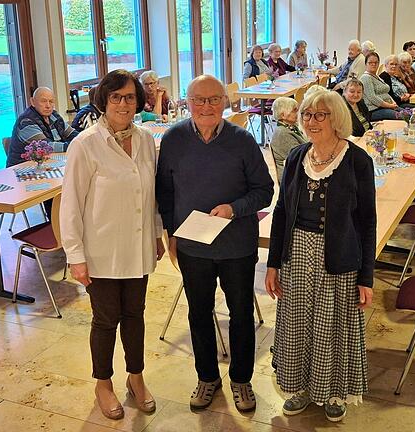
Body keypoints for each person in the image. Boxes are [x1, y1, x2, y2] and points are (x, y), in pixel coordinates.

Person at [156, 75, 274, 412]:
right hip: (193, 245)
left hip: (236, 245)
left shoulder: (243, 141)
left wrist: (234, 209)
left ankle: (242, 380)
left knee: (240, 314)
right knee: (198, 313)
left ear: (225, 101)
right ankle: (207, 377)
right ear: (187, 101)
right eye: (198, 99)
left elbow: (264, 190)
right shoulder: (174, 139)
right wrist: (170, 231)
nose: (206, 106)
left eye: (213, 99)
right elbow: (164, 191)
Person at [265, 86, 375, 423]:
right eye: (307, 115)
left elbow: (368, 221)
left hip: (339, 254)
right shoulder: (298, 156)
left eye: (320, 115)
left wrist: (366, 277)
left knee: (334, 325)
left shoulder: (357, 160)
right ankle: (298, 386)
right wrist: (272, 263)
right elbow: (282, 210)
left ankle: (333, 392)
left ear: (336, 118)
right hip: (296, 252)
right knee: (297, 322)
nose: (312, 121)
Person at [60, 70, 163, 421]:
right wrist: (75, 256)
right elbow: (71, 205)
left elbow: (152, 196)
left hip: (137, 247)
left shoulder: (147, 140)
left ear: (139, 101)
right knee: (106, 320)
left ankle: (136, 377)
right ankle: (103, 384)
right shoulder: (85, 144)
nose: (123, 103)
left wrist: (156, 233)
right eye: (116, 97)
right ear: (104, 100)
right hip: (100, 252)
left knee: (135, 315)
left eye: (130, 97)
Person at [7, 86, 78, 167]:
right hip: (24, 169)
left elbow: (74, 134)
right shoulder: (25, 121)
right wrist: (75, 145)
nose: (48, 105)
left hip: (49, 164)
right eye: (43, 101)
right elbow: (46, 147)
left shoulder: (54, 116)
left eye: (51, 101)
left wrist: (82, 141)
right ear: (33, 102)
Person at [270, 97, 307, 181]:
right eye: (294, 111)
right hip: (291, 176)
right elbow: (299, 156)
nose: (298, 113)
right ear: (283, 115)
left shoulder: (292, 127)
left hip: (297, 169)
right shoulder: (282, 133)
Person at [359, 52, 400, 121]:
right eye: (370, 62)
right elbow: (372, 97)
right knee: (403, 116)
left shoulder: (377, 77)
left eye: (376, 62)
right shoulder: (366, 77)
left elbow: (387, 93)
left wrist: (393, 103)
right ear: (366, 64)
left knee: (409, 113)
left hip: (386, 107)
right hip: (374, 110)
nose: (373, 64)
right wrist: (389, 106)